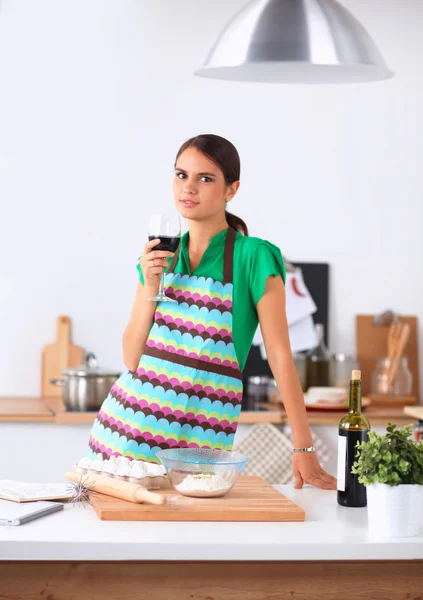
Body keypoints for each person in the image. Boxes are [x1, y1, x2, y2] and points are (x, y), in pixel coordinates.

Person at [87, 134, 336, 491]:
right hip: (124, 435)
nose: (189, 187)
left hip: (198, 443)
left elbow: (280, 356)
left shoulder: (254, 257)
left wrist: (304, 445)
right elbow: (131, 358)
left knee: (192, 542)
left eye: (206, 178)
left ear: (231, 190)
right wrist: (150, 285)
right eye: (181, 175)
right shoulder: (157, 256)